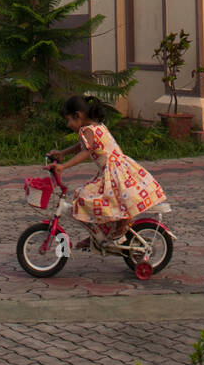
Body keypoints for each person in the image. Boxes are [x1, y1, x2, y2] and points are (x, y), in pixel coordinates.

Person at [48, 94, 167, 250]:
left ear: (78, 115)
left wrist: (64, 166)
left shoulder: (87, 130)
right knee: (97, 200)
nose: (68, 124)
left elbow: (85, 152)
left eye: (69, 119)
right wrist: (63, 153)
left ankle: (116, 229)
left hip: (115, 173)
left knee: (86, 198)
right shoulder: (95, 126)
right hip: (117, 169)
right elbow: (83, 146)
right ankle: (100, 234)